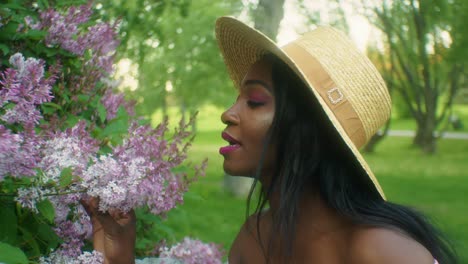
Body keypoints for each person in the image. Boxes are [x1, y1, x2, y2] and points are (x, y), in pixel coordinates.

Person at [83, 17, 457, 263]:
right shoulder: (253, 242)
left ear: (310, 131)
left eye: (255, 101)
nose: (229, 113)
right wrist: (121, 259)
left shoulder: (379, 250)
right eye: (237, 99)